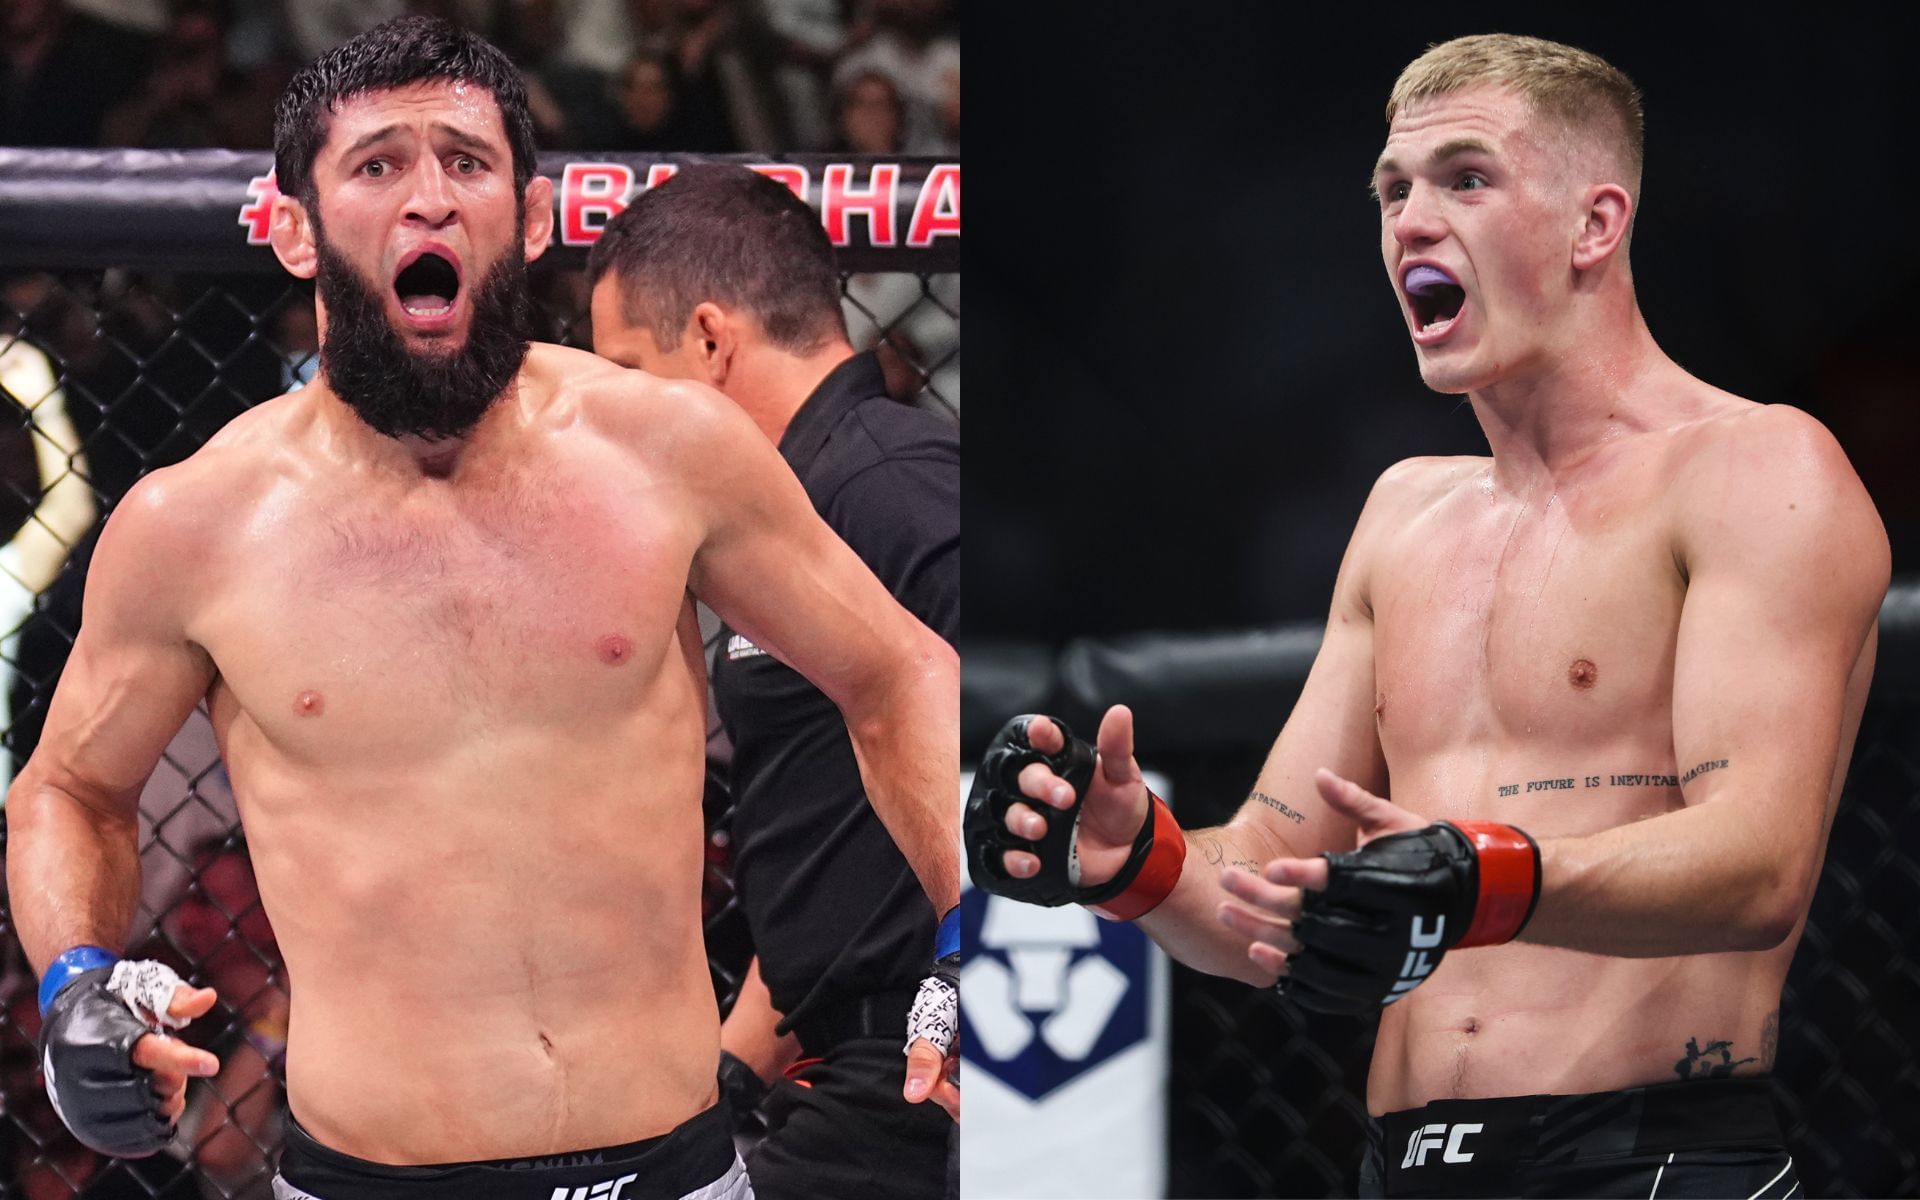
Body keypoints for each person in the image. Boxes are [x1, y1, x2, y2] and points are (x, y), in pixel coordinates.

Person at [4, 16, 959, 1200]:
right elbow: (68, 789)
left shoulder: (672, 451)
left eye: (466, 161)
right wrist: (76, 984)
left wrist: (979, 926)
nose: (429, 201)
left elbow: (898, 671)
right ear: (295, 232)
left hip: (673, 1168)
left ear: (537, 215)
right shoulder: (193, 525)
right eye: (376, 165)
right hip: (363, 1176)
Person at [966, 33, 1887, 1200]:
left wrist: (1478, 879)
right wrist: (1132, 864)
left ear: (1594, 226)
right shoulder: (1405, 515)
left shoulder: (1759, 471)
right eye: (1392, 189)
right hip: (1403, 1166)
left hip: (1650, 1157)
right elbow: (1263, 885)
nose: (1409, 220)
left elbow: (1760, 866)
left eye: (1466, 178)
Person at [587, 165, 960, 1199]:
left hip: (928, 1073)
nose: (610, 420)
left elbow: (1040, 724)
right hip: (845, 1061)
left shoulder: (887, 487)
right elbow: (835, 856)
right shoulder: (798, 515)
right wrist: (726, 1074)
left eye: (626, 370)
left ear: (711, 343)